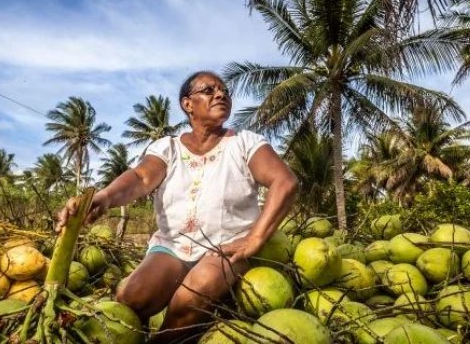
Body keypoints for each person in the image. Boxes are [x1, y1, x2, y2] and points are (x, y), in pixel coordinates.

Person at [56, 71, 298, 342]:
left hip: (225, 249)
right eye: (209, 90)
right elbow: (141, 178)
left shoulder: (245, 142)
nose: (220, 95)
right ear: (187, 104)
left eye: (224, 91)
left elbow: (284, 182)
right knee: (131, 297)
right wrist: (104, 197)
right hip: (173, 247)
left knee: (192, 296)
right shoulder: (168, 147)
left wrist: (255, 238)